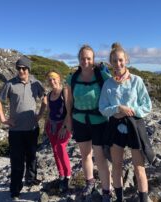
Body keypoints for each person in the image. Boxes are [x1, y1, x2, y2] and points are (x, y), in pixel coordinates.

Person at [99, 43, 154, 202]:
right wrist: (118, 108)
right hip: (115, 127)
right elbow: (102, 108)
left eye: (121, 60)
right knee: (117, 166)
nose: (118, 64)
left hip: (135, 126)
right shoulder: (108, 84)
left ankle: (143, 199)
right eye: (115, 61)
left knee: (139, 168)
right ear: (110, 63)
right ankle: (119, 198)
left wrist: (131, 110)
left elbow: (147, 105)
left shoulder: (137, 81)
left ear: (126, 60)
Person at [0, 56, 46, 201]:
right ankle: (15, 189)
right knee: (16, 161)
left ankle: (31, 178)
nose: (21, 71)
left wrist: (40, 114)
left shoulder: (36, 83)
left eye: (24, 68)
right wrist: (3, 119)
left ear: (29, 69)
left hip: (32, 128)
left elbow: (45, 98)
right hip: (16, 131)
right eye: (19, 68)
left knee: (32, 156)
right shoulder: (10, 84)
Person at [66, 45, 112, 201]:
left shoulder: (102, 77)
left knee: (100, 157)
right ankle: (90, 182)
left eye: (88, 58)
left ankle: (106, 191)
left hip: (99, 122)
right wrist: (68, 119)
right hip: (79, 121)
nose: (85, 61)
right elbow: (69, 101)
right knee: (85, 155)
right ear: (79, 59)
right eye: (82, 58)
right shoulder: (72, 78)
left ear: (93, 60)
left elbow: (115, 88)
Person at [43, 70, 72, 193]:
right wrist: (46, 124)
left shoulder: (64, 91)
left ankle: (67, 176)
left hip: (63, 125)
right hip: (52, 126)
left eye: (54, 78)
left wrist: (64, 127)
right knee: (55, 150)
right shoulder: (49, 95)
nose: (52, 81)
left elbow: (69, 111)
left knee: (60, 147)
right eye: (50, 79)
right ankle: (61, 175)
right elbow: (50, 112)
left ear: (59, 78)